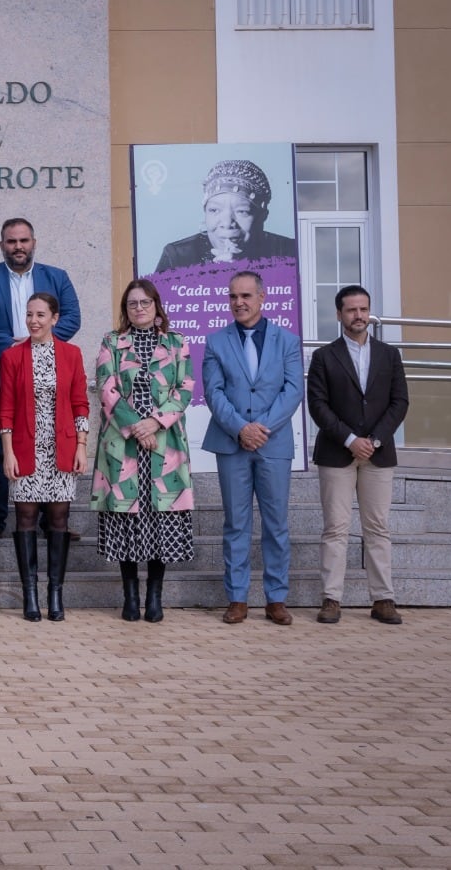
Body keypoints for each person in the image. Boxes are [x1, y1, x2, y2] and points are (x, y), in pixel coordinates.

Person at [0, 217, 80, 542]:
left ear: (34, 242)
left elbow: (72, 315)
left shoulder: (56, 277)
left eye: (23, 241)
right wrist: (15, 346)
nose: (18, 247)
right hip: (3, 368)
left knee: (48, 440)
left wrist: (40, 340)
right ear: (2, 245)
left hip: (48, 370)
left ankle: (52, 519)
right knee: (3, 443)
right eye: (11, 241)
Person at [202, 270, 304, 626]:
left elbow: (293, 392)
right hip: (232, 444)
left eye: (245, 296)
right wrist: (240, 429)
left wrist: (261, 428)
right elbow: (213, 392)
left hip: (272, 444)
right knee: (236, 523)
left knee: (276, 524)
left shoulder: (287, 341)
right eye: (233, 297)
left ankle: (276, 599)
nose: (238, 303)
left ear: (262, 297)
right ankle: (238, 598)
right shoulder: (216, 342)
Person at [91, 280, 195, 624]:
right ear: (126, 308)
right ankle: (130, 597)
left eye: (145, 302)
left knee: (159, 520)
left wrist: (155, 423)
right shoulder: (112, 342)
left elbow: (185, 389)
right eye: (132, 303)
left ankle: (155, 596)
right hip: (125, 447)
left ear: (156, 305)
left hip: (164, 444)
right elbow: (107, 388)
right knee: (127, 520)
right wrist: (137, 427)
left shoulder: (177, 342)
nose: (139, 308)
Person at [308, 284, 409, 626]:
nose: (358, 316)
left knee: (377, 528)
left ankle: (383, 599)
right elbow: (318, 406)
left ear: (369, 312)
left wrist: (375, 439)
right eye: (351, 310)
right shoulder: (324, 357)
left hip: (379, 454)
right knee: (336, 528)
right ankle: (331, 599)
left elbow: (400, 402)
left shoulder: (389, 355)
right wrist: (351, 439)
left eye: (363, 309)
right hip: (337, 453)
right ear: (339, 315)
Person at [0, 292, 90, 622]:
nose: (33, 321)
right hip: (25, 451)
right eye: (29, 315)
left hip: (61, 449)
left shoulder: (71, 354)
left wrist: (82, 445)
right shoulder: (12, 357)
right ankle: (30, 595)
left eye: (40, 315)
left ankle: (55, 594)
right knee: (24, 519)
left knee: (58, 520)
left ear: (54, 318)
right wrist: (8, 454)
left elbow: (81, 402)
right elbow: (6, 409)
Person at [155, 159, 297, 271]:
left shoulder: (288, 251)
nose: (227, 222)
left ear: (263, 216)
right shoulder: (178, 257)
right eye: (214, 210)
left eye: (242, 211)